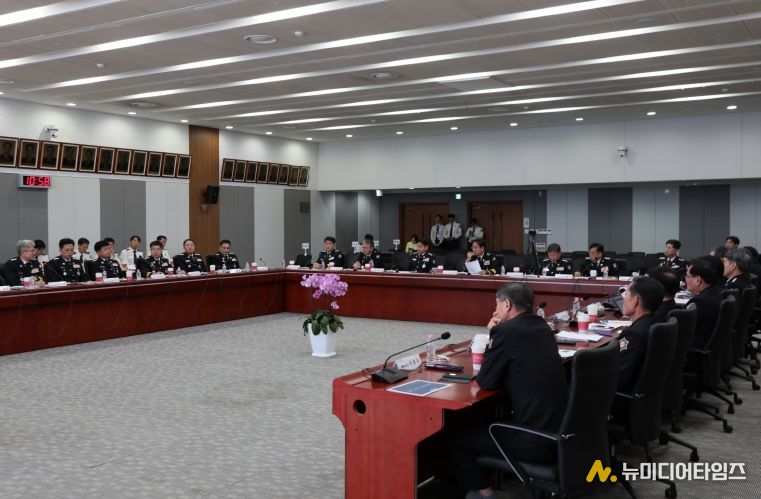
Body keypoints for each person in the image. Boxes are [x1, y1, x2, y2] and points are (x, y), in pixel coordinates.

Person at [448, 283, 568, 498]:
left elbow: (486, 381)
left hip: (535, 439)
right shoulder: (542, 326)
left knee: (458, 440)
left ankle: (487, 495)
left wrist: (493, 333)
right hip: (561, 431)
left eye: (497, 305)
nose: (495, 310)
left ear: (507, 304)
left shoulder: (506, 331)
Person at [616, 277, 665, 396]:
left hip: (622, 398)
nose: (623, 299)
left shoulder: (634, 334)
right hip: (647, 395)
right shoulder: (656, 323)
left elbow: (620, 379)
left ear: (635, 301)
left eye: (625, 294)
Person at [685, 259, 722, 348]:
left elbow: (683, 327)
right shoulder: (718, 293)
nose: (685, 280)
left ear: (698, 280)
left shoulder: (700, 302)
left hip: (695, 347)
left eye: (687, 276)